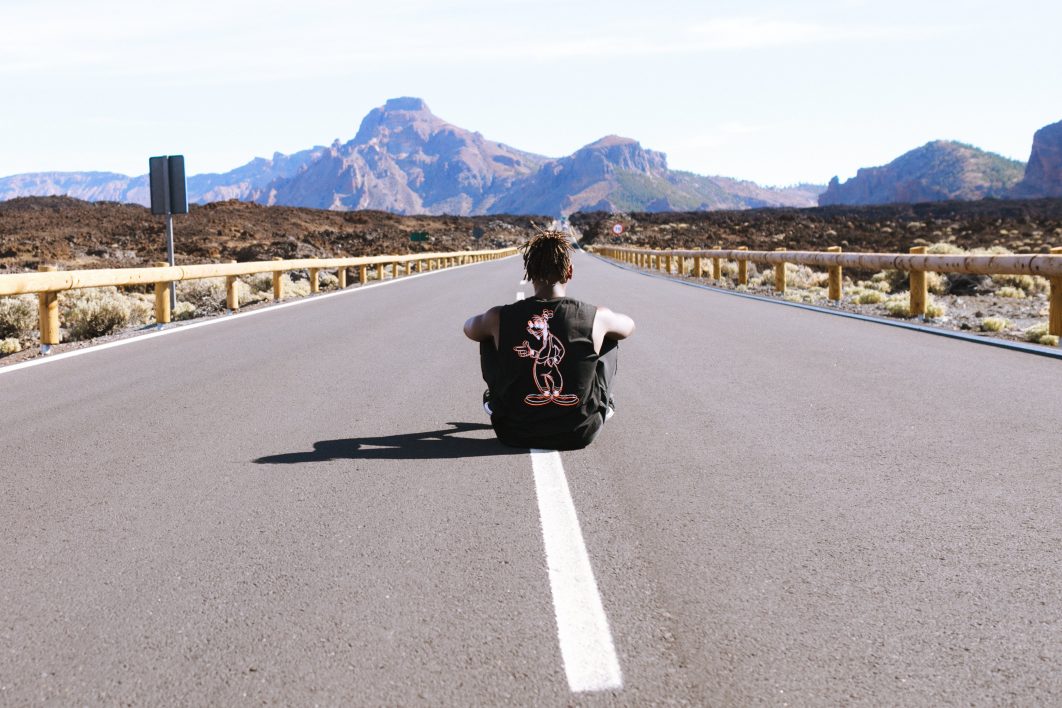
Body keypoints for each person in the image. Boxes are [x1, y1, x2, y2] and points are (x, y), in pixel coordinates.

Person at [463, 232, 635, 450]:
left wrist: (494, 325)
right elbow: (629, 326)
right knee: (610, 335)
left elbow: (469, 328)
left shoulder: (499, 317)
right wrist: (601, 322)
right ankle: (603, 402)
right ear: (569, 272)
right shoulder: (595, 315)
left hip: (513, 431)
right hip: (580, 431)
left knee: (486, 333)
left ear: (529, 273)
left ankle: (497, 401)